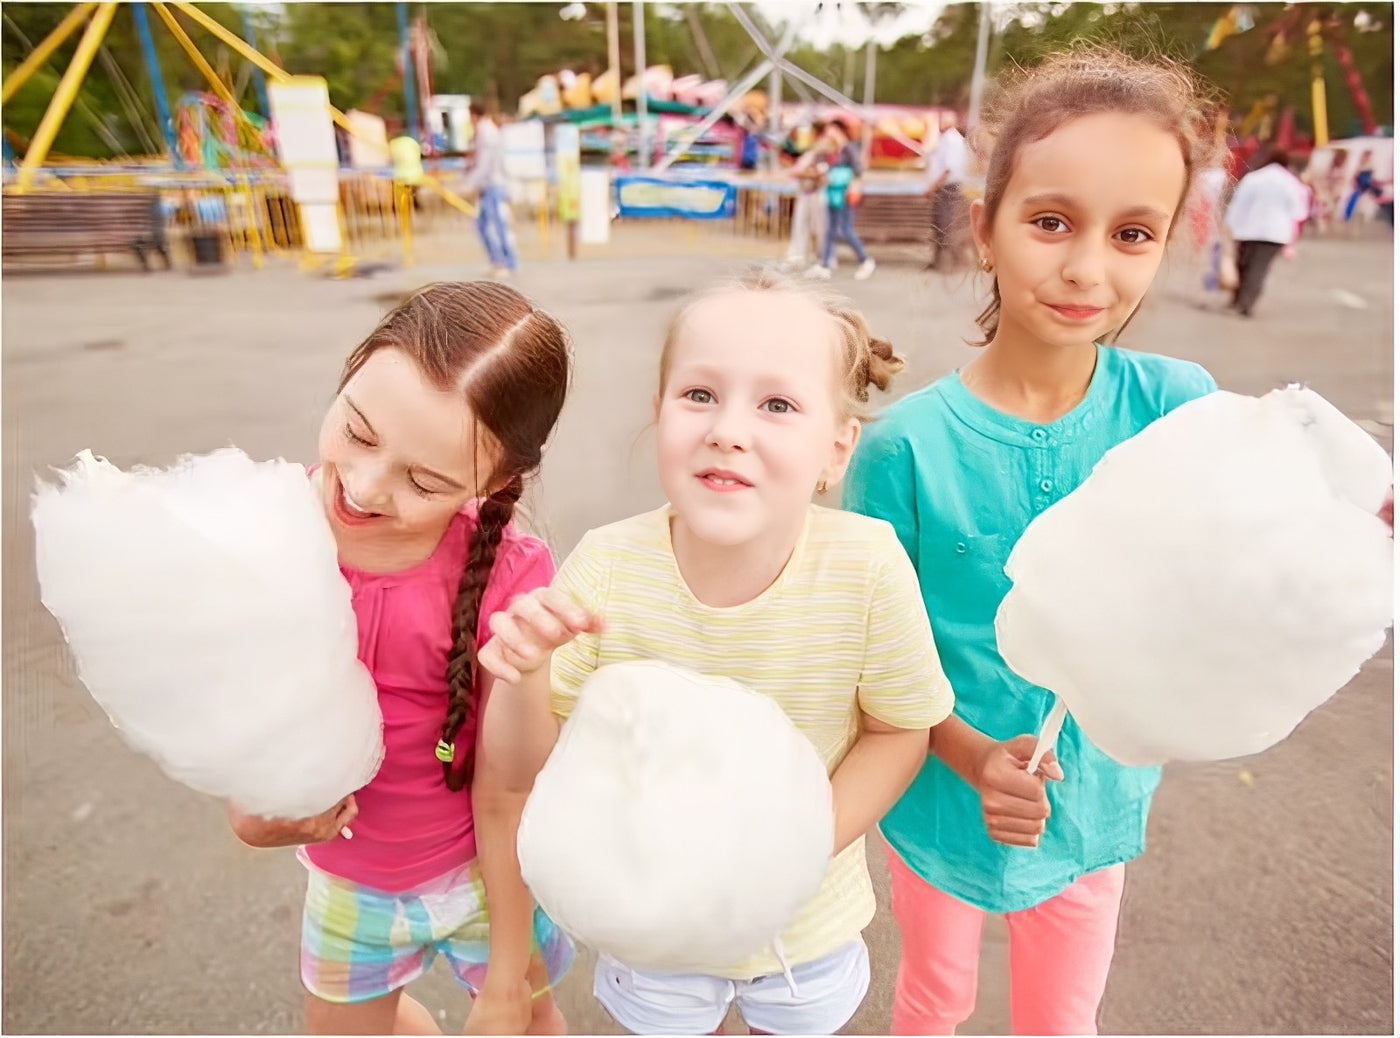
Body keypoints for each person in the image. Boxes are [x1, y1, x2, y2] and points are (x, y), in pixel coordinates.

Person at [841, 47, 1228, 1035]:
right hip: (939, 797)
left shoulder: (1179, 409)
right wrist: (973, 759)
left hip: (1090, 801)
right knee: (933, 998)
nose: (1087, 268)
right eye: (1050, 221)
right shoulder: (903, 449)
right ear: (983, 227)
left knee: (1062, 1017)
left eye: (1131, 233)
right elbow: (876, 660)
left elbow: (1225, 577)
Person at [478, 268, 955, 1035]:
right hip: (648, 920)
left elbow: (899, 731)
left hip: (804, 928)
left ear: (837, 449)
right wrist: (524, 675)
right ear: (658, 412)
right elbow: (531, 768)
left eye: (777, 405)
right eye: (699, 394)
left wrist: (796, 849)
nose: (728, 429)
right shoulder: (607, 567)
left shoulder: (867, 568)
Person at [226, 282, 575, 1036]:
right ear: (350, 373)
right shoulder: (267, 530)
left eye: (424, 481)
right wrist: (252, 813)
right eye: (357, 432)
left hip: (490, 878)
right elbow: (231, 710)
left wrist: (508, 978)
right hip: (351, 884)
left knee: (527, 1020)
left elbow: (512, 785)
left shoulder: (511, 575)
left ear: (497, 481)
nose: (364, 486)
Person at [1224, 150, 1310, 317]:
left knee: (1243, 265)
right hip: (1276, 233)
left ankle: (1239, 299)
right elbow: (1298, 212)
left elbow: (1238, 204)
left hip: (1248, 230)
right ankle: (1246, 302)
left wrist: (1230, 226)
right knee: (1259, 267)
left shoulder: (1254, 178)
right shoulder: (1291, 182)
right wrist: (1292, 239)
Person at [809, 121, 877, 281]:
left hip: (845, 194)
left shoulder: (849, 149)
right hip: (831, 192)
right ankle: (824, 264)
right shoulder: (829, 150)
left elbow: (858, 170)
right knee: (830, 230)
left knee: (845, 229)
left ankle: (865, 260)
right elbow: (818, 165)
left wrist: (851, 187)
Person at [464, 102, 518, 280]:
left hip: (493, 184)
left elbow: (485, 164)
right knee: (484, 224)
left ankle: (504, 261)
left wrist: (471, 184)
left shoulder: (486, 133)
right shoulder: (484, 132)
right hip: (489, 184)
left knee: (494, 225)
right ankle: (498, 260)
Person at [922, 111, 970, 271]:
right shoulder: (947, 140)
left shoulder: (951, 141)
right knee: (940, 222)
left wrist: (933, 187)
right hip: (945, 186)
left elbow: (948, 169)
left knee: (945, 224)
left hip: (948, 187)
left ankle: (948, 263)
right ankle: (940, 261)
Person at [783, 120, 831, 270]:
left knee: (818, 228)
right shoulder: (811, 149)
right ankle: (800, 256)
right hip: (807, 193)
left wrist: (801, 173)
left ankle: (823, 257)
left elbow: (819, 173)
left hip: (816, 194)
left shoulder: (822, 149)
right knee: (802, 226)